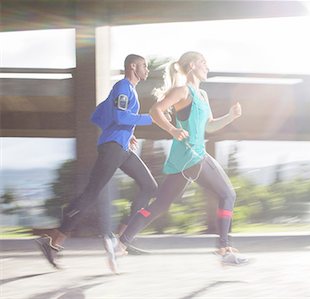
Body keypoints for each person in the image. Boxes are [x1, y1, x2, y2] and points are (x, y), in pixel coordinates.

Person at [117, 51, 248, 265]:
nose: (207, 67)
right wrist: (172, 130)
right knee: (228, 194)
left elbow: (209, 126)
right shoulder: (182, 91)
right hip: (193, 155)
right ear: (192, 65)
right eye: (204, 62)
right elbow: (155, 110)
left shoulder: (202, 96)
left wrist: (231, 116)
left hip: (184, 159)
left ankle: (120, 244)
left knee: (160, 205)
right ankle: (224, 249)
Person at [35, 54, 158, 273]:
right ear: (132, 66)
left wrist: (126, 133)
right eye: (144, 66)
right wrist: (150, 118)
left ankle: (122, 238)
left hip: (121, 148)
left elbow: (108, 116)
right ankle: (54, 241)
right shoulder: (123, 86)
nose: (147, 70)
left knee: (149, 186)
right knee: (90, 195)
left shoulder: (128, 89)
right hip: (112, 148)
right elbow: (120, 117)